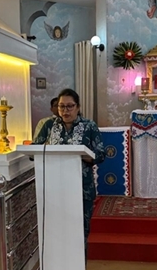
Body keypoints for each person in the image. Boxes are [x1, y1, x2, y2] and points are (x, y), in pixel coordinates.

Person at [33, 89, 105, 250]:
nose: (65, 111)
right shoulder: (49, 125)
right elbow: (34, 149)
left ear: (78, 107)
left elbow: (101, 154)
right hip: (54, 188)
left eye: (70, 106)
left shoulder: (89, 126)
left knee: (80, 232)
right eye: (61, 106)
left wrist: (82, 154)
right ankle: (57, 265)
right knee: (56, 232)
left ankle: (79, 266)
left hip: (82, 188)